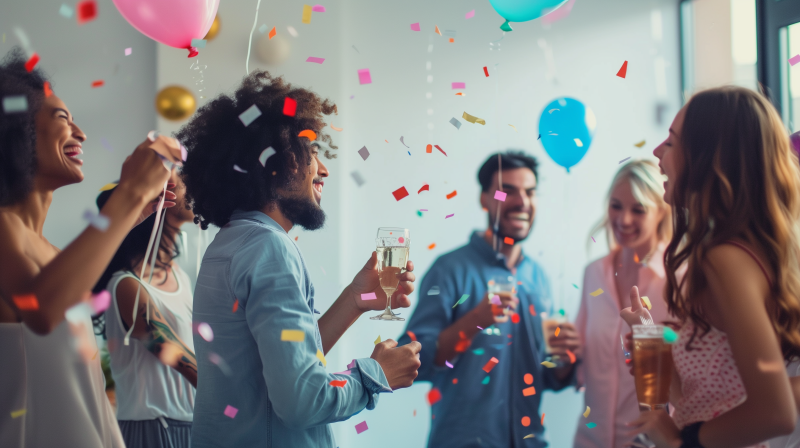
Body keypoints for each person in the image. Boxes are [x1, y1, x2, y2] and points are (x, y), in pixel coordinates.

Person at [176, 70, 422, 448]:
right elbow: (302, 401)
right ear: (277, 163)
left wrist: (355, 299)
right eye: (311, 153)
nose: (322, 169)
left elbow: (282, 364)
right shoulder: (269, 248)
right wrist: (376, 374)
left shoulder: (232, 241)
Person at [0, 48, 181, 447]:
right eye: (63, 118)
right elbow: (40, 309)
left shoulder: (47, 251)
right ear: (16, 128)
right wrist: (130, 193)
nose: (80, 133)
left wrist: (133, 215)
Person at [623, 86, 800, 447]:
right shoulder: (745, 253)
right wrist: (650, 343)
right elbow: (706, 397)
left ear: (710, 156)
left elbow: (775, 412)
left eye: (671, 143)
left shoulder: (725, 259)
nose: (657, 152)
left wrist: (680, 442)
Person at [397, 151, 582, 448]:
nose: (522, 201)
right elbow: (416, 361)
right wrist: (475, 321)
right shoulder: (448, 270)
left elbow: (547, 376)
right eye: (506, 190)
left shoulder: (539, 277)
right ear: (484, 198)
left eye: (530, 192)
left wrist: (565, 359)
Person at [92, 170, 198, 448]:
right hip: (152, 429)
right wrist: (238, 397)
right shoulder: (127, 284)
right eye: (182, 177)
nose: (193, 184)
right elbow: (168, 348)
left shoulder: (181, 277)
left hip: (190, 425)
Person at [574, 160, 673, 448]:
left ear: (660, 212)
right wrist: (563, 350)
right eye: (616, 205)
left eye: (638, 209)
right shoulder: (593, 273)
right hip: (589, 440)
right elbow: (577, 363)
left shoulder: (679, 278)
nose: (624, 219)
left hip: (648, 443)